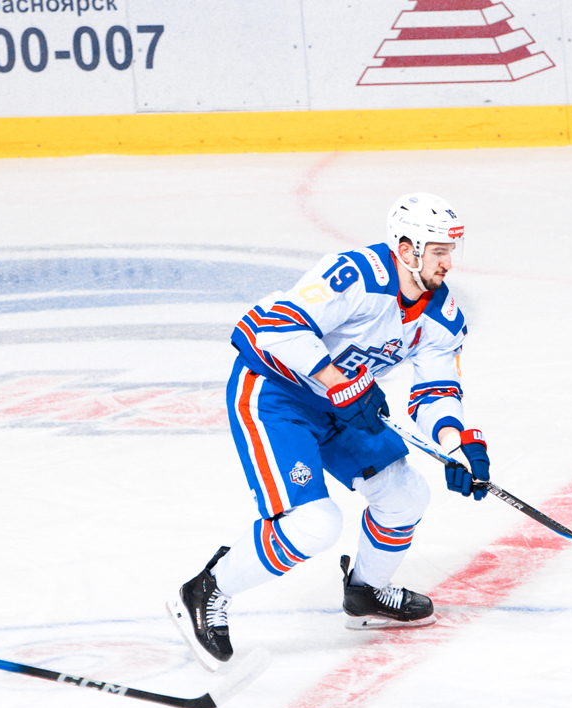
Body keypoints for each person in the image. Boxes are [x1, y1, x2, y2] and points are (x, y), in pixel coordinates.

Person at [167, 192, 491, 671]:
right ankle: (204, 590)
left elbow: (436, 391)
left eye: (449, 251)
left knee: (406, 496)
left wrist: (454, 447)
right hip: (276, 395)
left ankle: (365, 593)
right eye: (438, 251)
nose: (448, 263)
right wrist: (341, 382)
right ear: (406, 250)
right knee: (314, 524)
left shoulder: (441, 316)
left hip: (342, 406)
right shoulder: (356, 275)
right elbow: (274, 327)